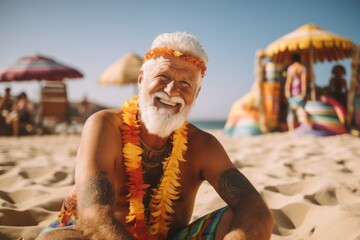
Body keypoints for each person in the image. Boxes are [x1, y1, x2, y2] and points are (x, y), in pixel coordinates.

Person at [37, 32, 273, 240]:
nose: (172, 91)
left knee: (244, 217)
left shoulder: (203, 145)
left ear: (196, 93)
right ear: (141, 79)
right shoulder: (104, 126)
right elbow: (93, 217)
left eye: (185, 83)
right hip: (96, 234)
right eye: (163, 77)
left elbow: (255, 207)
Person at [285, 53, 310, 131]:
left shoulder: (290, 68)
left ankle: (291, 129)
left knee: (291, 111)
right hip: (299, 92)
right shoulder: (302, 68)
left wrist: (287, 92)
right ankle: (306, 126)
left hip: (292, 92)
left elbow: (288, 82)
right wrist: (304, 93)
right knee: (302, 110)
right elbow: (304, 82)